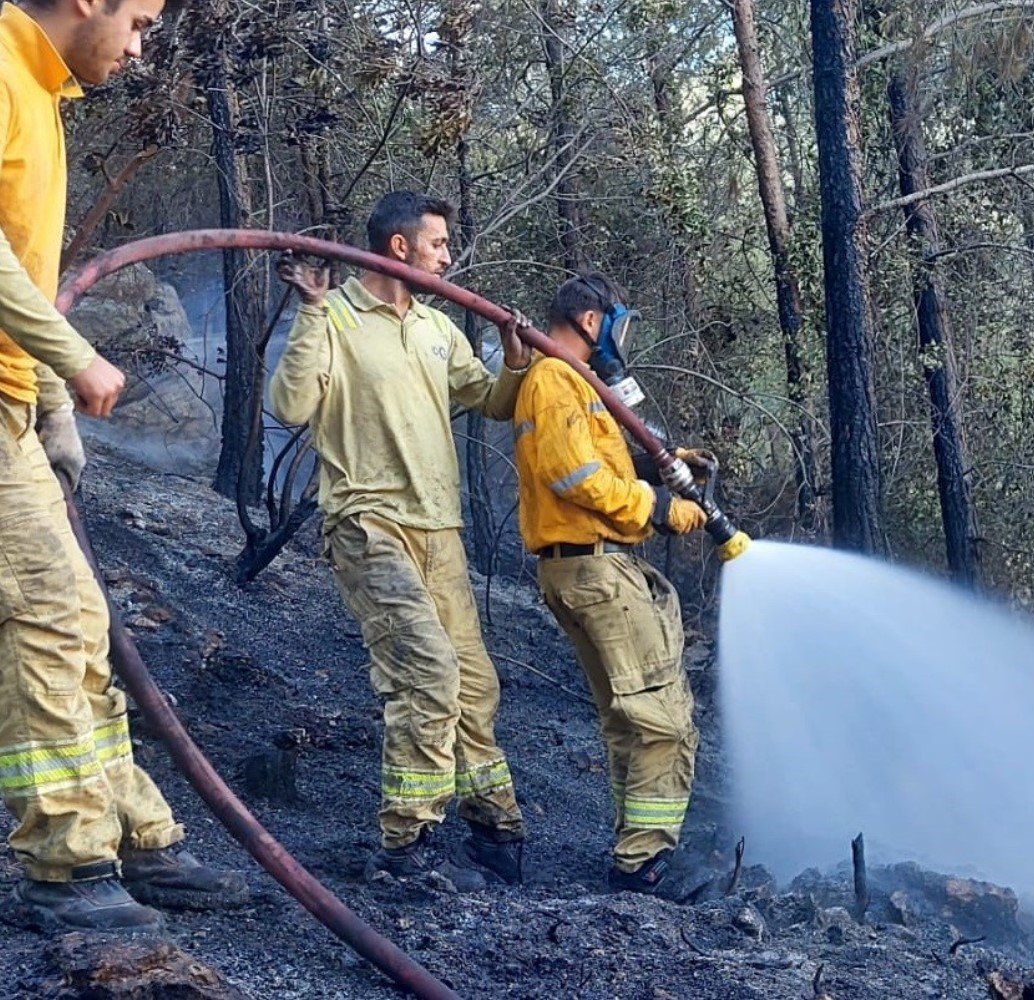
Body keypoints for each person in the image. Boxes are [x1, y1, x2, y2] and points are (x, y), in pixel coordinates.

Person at [0, 0, 250, 933]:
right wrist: (72, 356)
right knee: (51, 614)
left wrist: (49, 408)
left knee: (76, 617)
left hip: (13, 404)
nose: (143, 49)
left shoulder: (38, 91)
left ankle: (131, 836)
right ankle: (67, 866)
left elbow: (18, 266)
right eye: (140, 21)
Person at [270, 191, 532, 887]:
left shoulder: (438, 329)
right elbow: (289, 405)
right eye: (440, 244)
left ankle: (492, 827)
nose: (448, 256)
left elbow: (494, 402)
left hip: (439, 531)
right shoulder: (338, 317)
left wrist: (513, 360)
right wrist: (309, 310)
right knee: (428, 673)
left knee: (474, 685)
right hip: (369, 525)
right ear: (399, 248)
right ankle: (407, 846)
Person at [512, 272, 715, 899]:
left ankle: (636, 850)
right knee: (661, 720)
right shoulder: (553, 379)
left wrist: (673, 458)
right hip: (596, 568)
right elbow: (578, 479)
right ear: (592, 322)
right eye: (615, 328)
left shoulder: (567, 384)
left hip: (582, 568)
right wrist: (659, 508)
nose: (616, 342)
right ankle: (645, 863)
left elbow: (595, 462)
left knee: (629, 720)